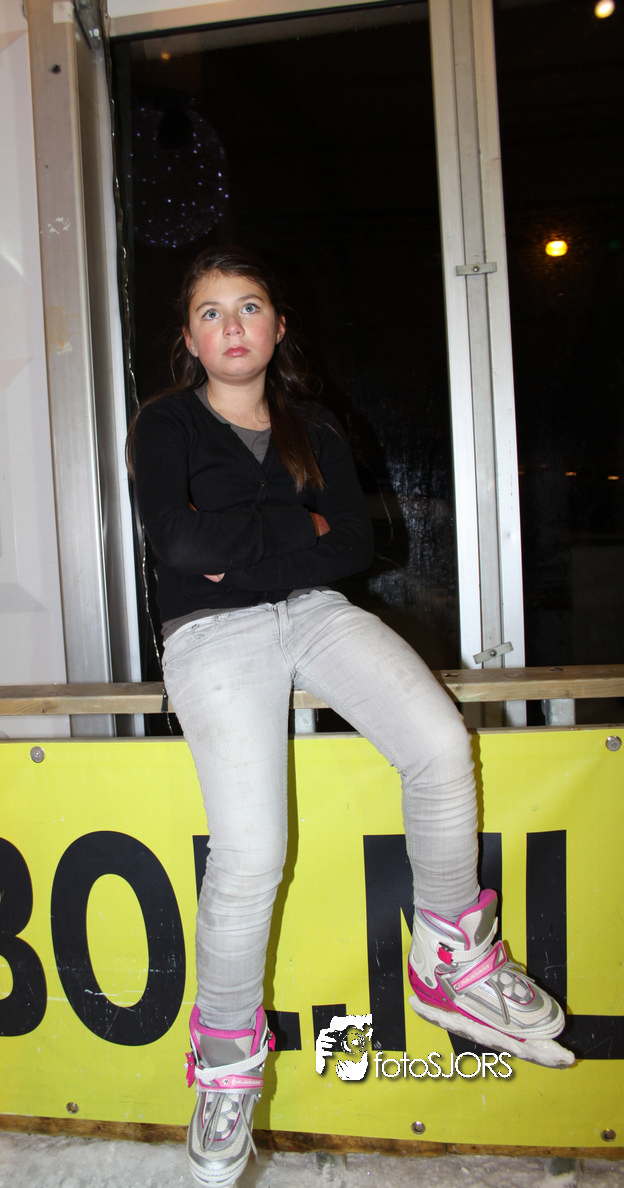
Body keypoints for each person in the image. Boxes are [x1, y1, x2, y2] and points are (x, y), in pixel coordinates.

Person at [128, 247, 572, 1188]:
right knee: (251, 852)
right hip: (209, 629)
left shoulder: (315, 424)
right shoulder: (165, 422)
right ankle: (224, 1064)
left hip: (318, 614)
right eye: (211, 313)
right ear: (190, 340)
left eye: (250, 306)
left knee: (441, 746)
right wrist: (304, 529)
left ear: (278, 326)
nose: (233, 325)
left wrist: (261, 549)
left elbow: (356, 548)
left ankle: (450, 955)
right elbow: (180, 540)